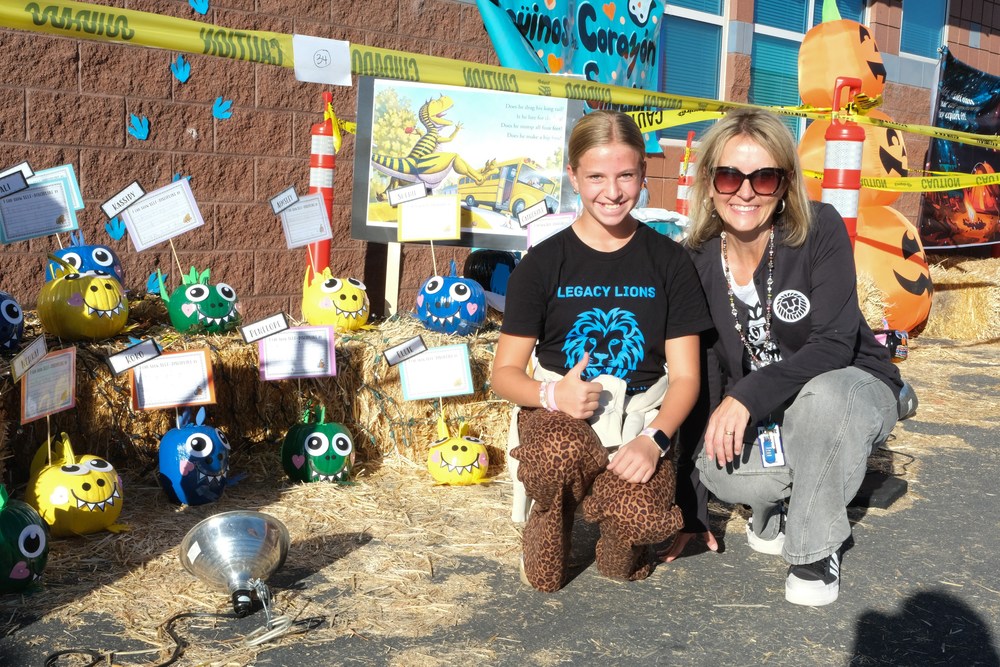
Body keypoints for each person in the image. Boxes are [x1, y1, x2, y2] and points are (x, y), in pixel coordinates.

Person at [661, 108, 902, 607]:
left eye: (763, 176)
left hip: (848, 380)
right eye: (729, 175)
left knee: (823, 401)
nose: (745, 191)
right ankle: (789, 499)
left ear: (785, 184)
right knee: (718, 467)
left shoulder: (820, 230)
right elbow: (703, 373)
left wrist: (746, 396)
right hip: (776, 411)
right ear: (709, 183)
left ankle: (813, 550)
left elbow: (835, 344)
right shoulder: (697, 259)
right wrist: (693, 510)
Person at [491, 110, 713, 592]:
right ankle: (552, 514)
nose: (612, 191)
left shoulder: (670, 261)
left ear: (641, 175)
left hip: (638, 419)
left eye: (626, 175)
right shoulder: (542, 264)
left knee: (630, 543)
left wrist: (654, 440)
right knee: (546, 574)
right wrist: (551, 396)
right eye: (595, 176)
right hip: (561, 417)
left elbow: (687, 378)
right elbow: (504, 373)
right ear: (573, 176)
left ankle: (614, 525)